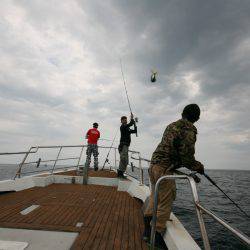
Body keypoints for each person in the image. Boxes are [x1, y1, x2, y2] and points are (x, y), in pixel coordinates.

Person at [143, 104, 204, 246]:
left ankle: (146, 232)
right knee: (165, 202)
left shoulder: (172, 125)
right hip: (164, 169)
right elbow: (186, 156)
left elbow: (171, 149)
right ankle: (156, 238)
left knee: (155, 197)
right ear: (196, 118)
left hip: (153, 165)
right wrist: (198, 167)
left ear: (183, 113)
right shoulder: (189, 129)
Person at [117, 113, 137, 178]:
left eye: (126, 120)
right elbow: (129, 124)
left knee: (126, 160)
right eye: (124, 120)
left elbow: (134, 131)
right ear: (121, 121)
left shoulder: (127, 128)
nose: (125, 121)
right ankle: (120, 173)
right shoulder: (122, 127)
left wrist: (135, 125)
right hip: (123, 145)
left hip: (126, 146)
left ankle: (121, 173)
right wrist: (132, 119)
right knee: (123, 159)